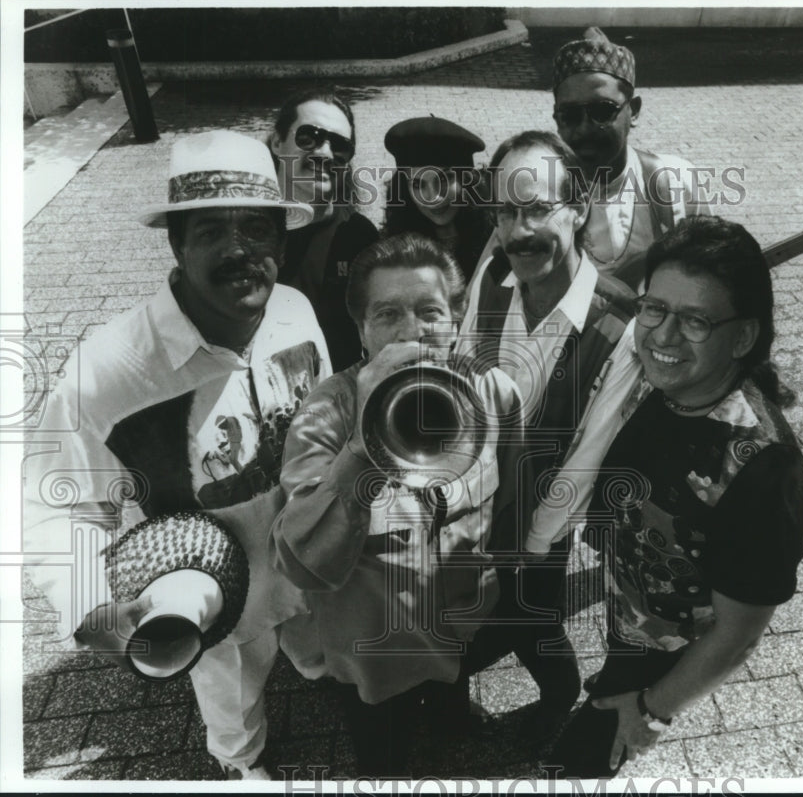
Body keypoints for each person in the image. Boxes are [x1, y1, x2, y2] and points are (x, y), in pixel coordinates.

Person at [22, 130, 332, 780]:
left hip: (308, 568)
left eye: (257, 228)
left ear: (282, 239)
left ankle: (313, 667)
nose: (240, 250)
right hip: (213, 603)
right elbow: (55, 506)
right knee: (235, 699)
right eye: (211, 230)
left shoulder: (297, 312)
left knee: (313, 646)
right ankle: (238, 765)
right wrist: (97, 610)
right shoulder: (108, 372)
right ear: (176, 241)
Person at [539, 215, 803, 778]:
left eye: (695, 320)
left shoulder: (761, 471)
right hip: (632, 612)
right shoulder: (664, 378)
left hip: (663, 653)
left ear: (743, 337)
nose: (662, 336)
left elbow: (737, 635)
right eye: (655, 308)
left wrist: (651, 711)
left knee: (578, 761)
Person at [269, 232, 523, 776]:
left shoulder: (495, 392)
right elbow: (302, 560)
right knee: (383, 756)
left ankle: (454, 716)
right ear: (360, 329)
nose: (412, 331)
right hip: (375, 656)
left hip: (458, 623)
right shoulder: (324, 414)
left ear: (455, 317)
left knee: (452, 704)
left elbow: (509, 501)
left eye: (430, 311)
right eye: (387, 315)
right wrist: (364, 443)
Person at [456, 130, 636, 744]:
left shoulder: (617, 323)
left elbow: (586, 458)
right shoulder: (490, 280)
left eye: (536, 208)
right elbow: (459, 376)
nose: (517, 232)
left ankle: (558, 698)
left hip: (540, 521)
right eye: (505, 211)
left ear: (579, 206)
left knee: (531, 616)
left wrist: (529, 547)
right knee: (467, 616)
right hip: (470, 504)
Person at [551, 27, 711, 288]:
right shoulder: (539, 194)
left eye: (602, 111)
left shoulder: (676, 183)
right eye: (569, 115)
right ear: (556, 118)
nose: (583, 128)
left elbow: (707, 278)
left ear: (633, 111)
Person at [269, 90, 379, 370]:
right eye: (309, 137)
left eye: (340, 146)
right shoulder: (248, 233)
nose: (326, 153)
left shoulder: (359, 238)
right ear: (277, 142)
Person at [383, 116, 492, 282]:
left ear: (465, 180)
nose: (432, 197)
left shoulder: (495, 236)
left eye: (443, 180)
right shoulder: (393, 249)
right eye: (418, 185)